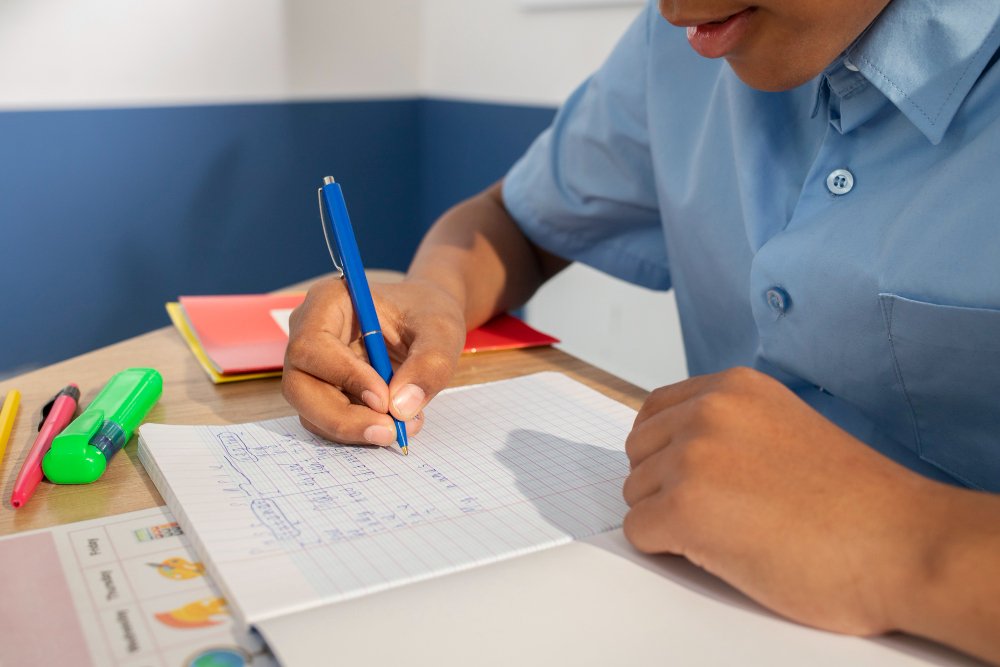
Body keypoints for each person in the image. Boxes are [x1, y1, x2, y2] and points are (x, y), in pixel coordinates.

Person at [283, 0, 1000, 661]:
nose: (670, 6)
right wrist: (433, 293)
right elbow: (511, 223)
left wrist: (908, 538)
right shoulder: (688, 41)